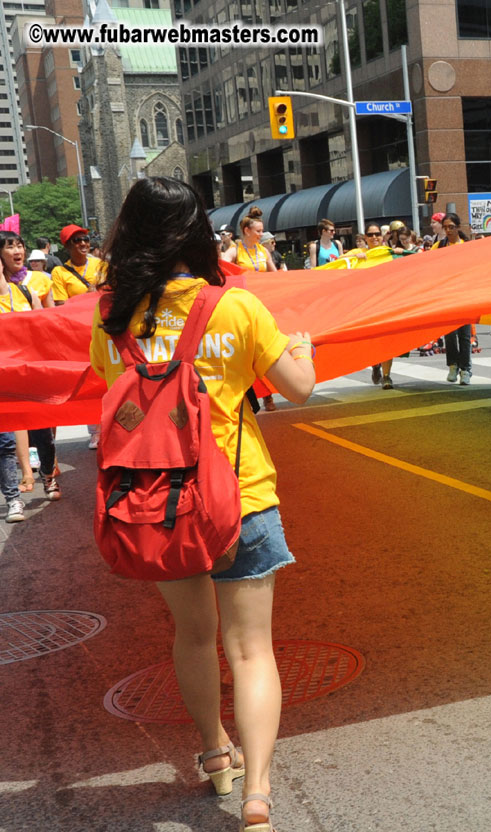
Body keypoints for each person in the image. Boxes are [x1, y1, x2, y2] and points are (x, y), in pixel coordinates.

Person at [88, 176, 316, 832]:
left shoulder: (111, 318)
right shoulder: (233, 307)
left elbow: (116, 393)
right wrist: (300, 349)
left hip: (158, 504)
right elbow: (298, 388)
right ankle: (257, 796)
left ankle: (217, 753)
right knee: (251, 650)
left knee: (193, 636)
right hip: (241, 499)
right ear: (195, 232)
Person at [1, 230, 62, 508]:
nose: (17, 251)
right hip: (4, 375)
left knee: (43, 433)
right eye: (9, 247)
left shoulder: (29, 289)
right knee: (7, 436)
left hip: (31, 372)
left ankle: (48, 475)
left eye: (20, 246)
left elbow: (45, 326)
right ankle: (15, 494)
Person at [226, 208, 279, 411]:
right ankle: (254, 393)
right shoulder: (235, 250)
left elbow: (276, 276)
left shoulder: (263, 251)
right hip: (243, 309)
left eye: (262, 231)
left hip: (263, 307)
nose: (261, 234)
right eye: (258, 231)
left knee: (266, 349)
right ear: (247, 231)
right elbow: (221, 267)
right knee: (247, 352)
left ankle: (268, 394)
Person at [436, 213, 475, 384]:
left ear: (458, 227)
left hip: (464, 295)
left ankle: (466, 369)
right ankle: (453, 365)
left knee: (464, 335)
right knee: (450, 334)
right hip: (446, 296)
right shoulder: (439, 246)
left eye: (451, 227)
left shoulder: (467, 246)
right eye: (445, 227)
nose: (448, 230)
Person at [51, 224, 105, 305]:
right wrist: (87, 297)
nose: (83, 243)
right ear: (67, 246)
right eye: (77, 240)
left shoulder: (101, 264)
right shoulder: (59, 272)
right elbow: (61, 304)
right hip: (81, 313)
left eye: (86, 239)